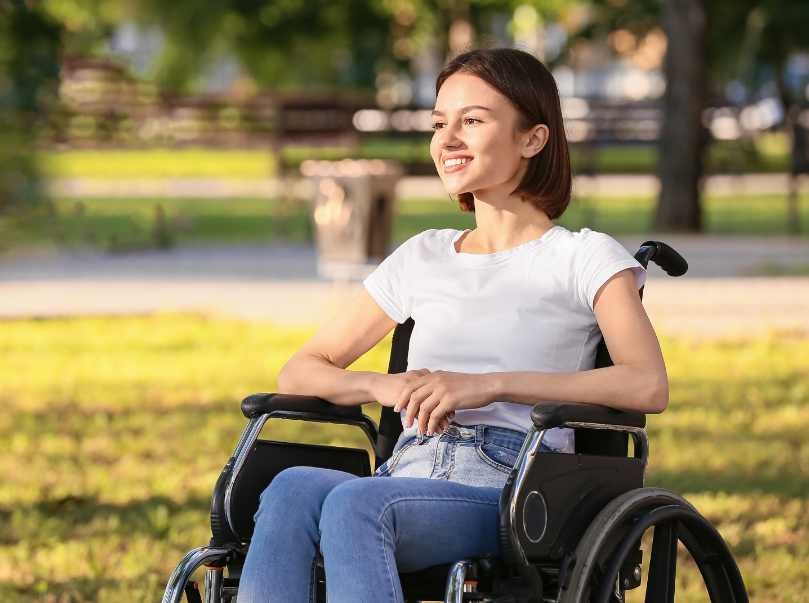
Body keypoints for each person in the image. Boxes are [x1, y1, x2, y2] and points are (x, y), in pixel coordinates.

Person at [236, 48, 668, 603]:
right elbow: (300, 370)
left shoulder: (586, 258)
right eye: (440, 123)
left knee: (353, 504)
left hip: (514, 484)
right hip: (408, 467)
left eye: (473, 121)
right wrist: (381, 386)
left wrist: (489, 383)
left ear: (532, 139)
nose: (447, 140)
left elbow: (645, 384)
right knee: (293, 487)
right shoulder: (423, 256)